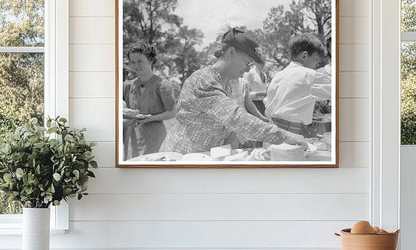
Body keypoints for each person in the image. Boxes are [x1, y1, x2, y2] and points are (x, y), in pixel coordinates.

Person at [161, 28, 307, 154]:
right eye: (247, 62)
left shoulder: (228, 83)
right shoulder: (204, 81)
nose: (248, 69)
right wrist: (284, 136)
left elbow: (230, 126)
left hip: (205, 158)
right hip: (182, 158)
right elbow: (236, 118)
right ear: (231, 52)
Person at [264, 33, 331, 136]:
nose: (317, 64)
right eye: (316, 59)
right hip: (291, 131)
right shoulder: (309, 75)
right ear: (304, 56)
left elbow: (269, 103)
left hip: (272, 128)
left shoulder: (278, 75)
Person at [123, 42, 176, 158]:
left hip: (157, 138)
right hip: (135, 140)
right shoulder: (128, 86)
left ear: (151, 60)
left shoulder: (163, 85)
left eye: (140, 61)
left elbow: (172, 112)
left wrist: (151, 118)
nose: (136, 65)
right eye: (132, 62)